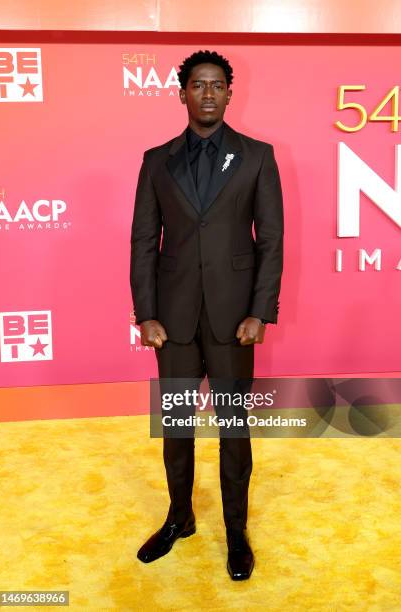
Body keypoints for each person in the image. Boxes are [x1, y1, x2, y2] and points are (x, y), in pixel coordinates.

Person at [130, 49, 284, 580]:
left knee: (234, 429)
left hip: (233, 320)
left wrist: (260, 312)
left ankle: (237, 532)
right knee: (176, 425)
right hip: (171, 322)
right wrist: (145, 313)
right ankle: (180, 518)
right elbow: (144, 240)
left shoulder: (257, 156)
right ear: (182, 93)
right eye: (199, 85)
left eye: (218, 84)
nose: (209, 93)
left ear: (230, 93)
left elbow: (272, 239)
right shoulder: (156, 160)